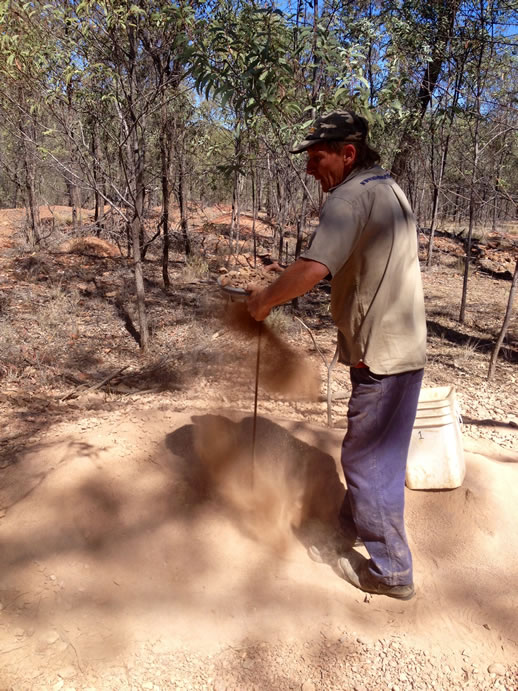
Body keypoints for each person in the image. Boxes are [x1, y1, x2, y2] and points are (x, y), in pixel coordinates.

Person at [246, 110, 426, 600]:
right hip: (405, 349)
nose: (309, 168)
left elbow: (315, 268)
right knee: (378, 456)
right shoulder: (386, 188)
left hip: (381, 356)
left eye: (316, 156)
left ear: (348, 153)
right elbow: (348, 262)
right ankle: (349, 526)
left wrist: (262, 301)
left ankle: (391, 572)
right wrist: (299, 271)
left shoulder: (349, 196)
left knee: (367, 462)